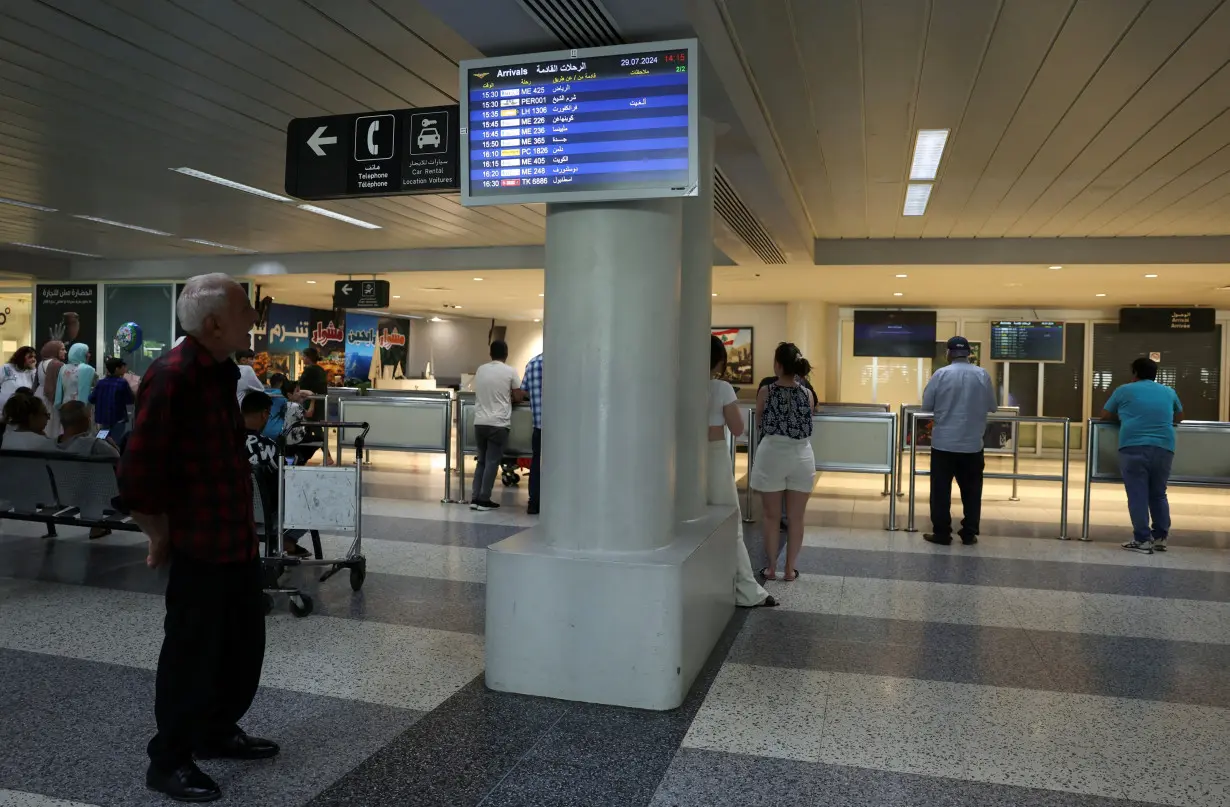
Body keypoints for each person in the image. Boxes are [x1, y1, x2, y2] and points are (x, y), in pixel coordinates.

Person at [117, 273, 274, 802]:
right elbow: (138, 473)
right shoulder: (173, 375)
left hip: (235, 539)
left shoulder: (222, 371)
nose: (254, 318)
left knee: (241, 645)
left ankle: (215, 730)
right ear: (214, 323)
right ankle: (170, 759)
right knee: (192, 652)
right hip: (199, 543)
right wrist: (158, 534)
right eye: (244, 309)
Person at [710, 336, 776, 608]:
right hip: (712, 456)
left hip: (679, 460)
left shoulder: (678, 383)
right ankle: (747, 591)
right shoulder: (722, 388)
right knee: (730, 523)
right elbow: (738, 428)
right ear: (719, 360)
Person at [1100, 357, 1184, 555]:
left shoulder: (1124, 390)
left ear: (1134, 373)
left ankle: (1142, 539)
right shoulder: (1168, 391)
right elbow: (1179, 416)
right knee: (1158, 493)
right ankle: (1161, 538)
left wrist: (1127, 413)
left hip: (1133, 446)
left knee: (1137, 494)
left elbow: (1105, 415)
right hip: (1164, 446)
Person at [922, 336, 998, 547]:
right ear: (968, 353)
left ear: (948, 353)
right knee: (972, 491)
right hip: (972, 445)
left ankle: (941, 533)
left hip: (943, 444)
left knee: (940, 491)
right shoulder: (982, 375)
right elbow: (992, 406)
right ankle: (969, 532)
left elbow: (926, 406)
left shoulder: (940, 375)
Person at [751, 343, 816, 582]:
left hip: (772, 454)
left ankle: (770, 568)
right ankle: (790, 569)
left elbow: (759, 420)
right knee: (797, 518)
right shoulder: (807, 393)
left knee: (771, 516)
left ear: (777, 365)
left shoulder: (766, 391)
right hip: (802, 456)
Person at [241, 391, 309, 558]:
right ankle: (288, 540)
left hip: (230, 510)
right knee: (309, 496)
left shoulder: (223, 442)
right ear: (265, 414)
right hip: (265, 514)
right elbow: (285, 480)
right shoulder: (270, 447)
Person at [470, 340, 524, 511]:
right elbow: (518, 397)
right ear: (506, 353)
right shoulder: (510, 371)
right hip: (498, 424)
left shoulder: (481, 369)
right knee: (492, 462)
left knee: (482, 462)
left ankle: (475, 497)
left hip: (480, 422)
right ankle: (484, 499)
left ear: (490, 354)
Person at [298, 347, 331, 466]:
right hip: (318, 403)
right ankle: (302, 455)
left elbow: (310, 390)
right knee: (308, 429)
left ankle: (327, 456)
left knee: (315, 429)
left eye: (304, 356)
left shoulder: (309, 370)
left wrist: (311, 406)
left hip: (312, 404)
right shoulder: (320, 370)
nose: (303, 358)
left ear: (309, 357)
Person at [520, 352, 543, 515]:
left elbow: (523, 392)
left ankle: (534, 503)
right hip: (561, 429)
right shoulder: (563, 363)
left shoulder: (532, 363)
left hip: (539, 426)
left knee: (536, 463)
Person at [91, 357, 136, 431]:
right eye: (122, 367)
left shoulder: (101, 383)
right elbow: (130, 400)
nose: (124, 369)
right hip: (118, 419)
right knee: (116, 441)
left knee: (104, 440)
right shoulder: (122, 382)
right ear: (117, 369)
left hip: (103, 420)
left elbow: (91, 399)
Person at [35, 341, 66, 440]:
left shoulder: (41, 363)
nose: (65, 352)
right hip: (51, 397)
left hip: (39, 395)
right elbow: (57, 386)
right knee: (53, 425)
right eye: (62, 349)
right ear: (54, 350)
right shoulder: (57, 364)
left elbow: (35, 383)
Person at [1, 346, 37, 412]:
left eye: (34, 357)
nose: (33, 359)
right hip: (3, 411)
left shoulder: (32, 372)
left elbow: (34, 389)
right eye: (30, 357)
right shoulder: (7, 368)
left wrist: (33, 370)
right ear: (21, 357)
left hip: (22, 412)